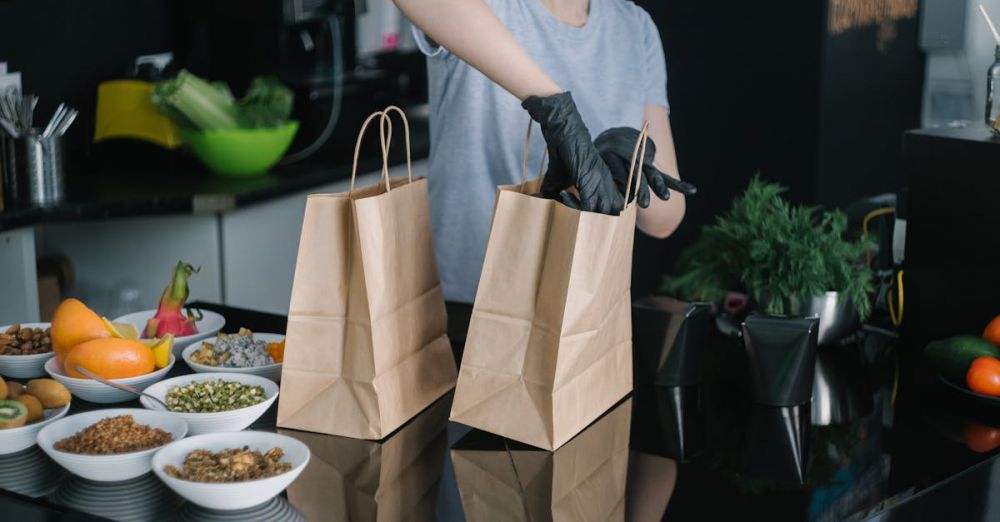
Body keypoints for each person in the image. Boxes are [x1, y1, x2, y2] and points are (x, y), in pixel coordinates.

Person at [393, 0, 695, 306]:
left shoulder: (634, 26)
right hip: (465, 308)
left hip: (578, 313)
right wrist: (556, 110)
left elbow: (662, 220)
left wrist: (627, 164)